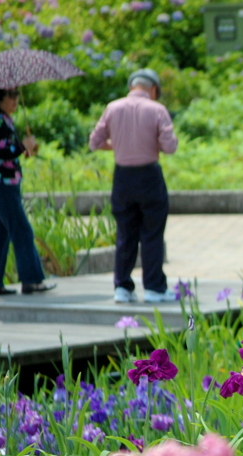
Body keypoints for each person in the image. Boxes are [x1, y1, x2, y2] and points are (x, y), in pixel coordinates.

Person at [89, 68, 178, 303]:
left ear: (131, 87)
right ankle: (154, 288)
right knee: (152, 232)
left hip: (122, 178)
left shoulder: (113, 107)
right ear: (154, 89)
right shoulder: (157, 110)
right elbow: (170, 147)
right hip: (149, 176)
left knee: (125, 233)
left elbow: (94, 141)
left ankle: (123, 287)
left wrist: (118, 145)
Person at [0, 87, 55, 296]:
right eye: (11, 95)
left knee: (0, 235)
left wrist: (23, 148)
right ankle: (32, 280)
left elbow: (2, 150)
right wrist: (21, 146)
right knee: (22, 230)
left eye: (17, 95)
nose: (16, 99)